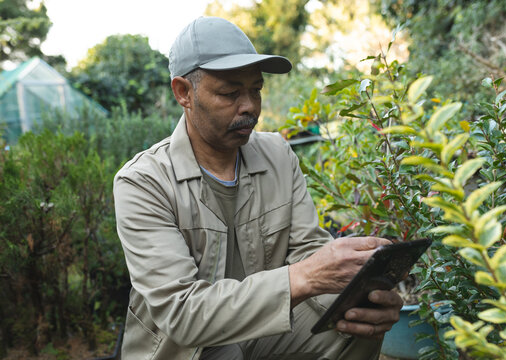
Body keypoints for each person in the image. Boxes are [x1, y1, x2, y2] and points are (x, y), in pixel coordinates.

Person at [113, 16, 403, 360]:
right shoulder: (143, 182)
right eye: (230, 92)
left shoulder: (278, 154)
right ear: (183, 93)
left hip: (267, 329)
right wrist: (303, 278)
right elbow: (183, 314)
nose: (249, 105)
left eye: (256, 89)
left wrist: (359, 300)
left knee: (353, 332)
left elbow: (308, 251)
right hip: (186, 349)